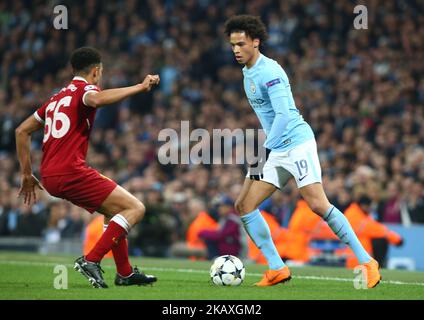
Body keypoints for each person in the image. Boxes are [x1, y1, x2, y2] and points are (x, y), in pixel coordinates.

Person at [225, 15, 381, 288]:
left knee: (318, 205)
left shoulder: (270, 72)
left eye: (241, 44)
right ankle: (276, 268)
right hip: (274, 147)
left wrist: (263, 151)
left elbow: (285, 115)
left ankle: (367, 261)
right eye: (233, 45)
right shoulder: (247, 72)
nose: (236, 50)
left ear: (256, 42)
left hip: (296, 143)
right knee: (243, 205)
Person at [15, 47, 160, 288]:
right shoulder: (86, 90)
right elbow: (96, 99)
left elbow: (21, 131)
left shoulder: (55, 98)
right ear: (95, 71)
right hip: (70, 171)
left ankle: (124, 273)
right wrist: (140, 87)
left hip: (49, 175)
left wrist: (26, 173)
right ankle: (91, 259)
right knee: (136, 208)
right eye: (100, 73)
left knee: (115, 210)